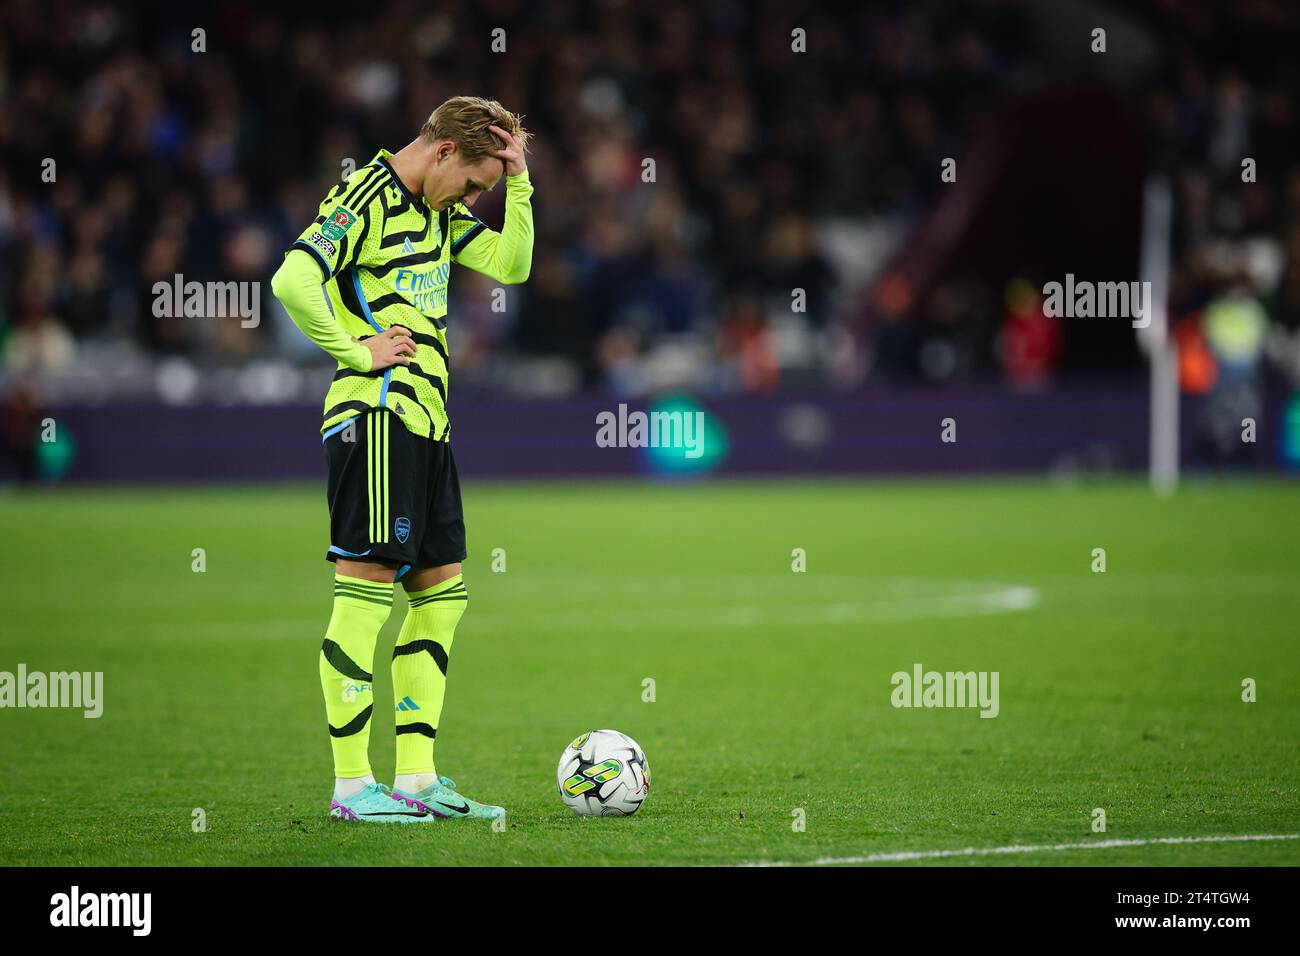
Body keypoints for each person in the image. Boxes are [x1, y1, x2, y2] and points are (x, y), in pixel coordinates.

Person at [271, 96, 533, 823]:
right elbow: (291, 281)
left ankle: (416, 780)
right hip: (377, 416)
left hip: (428, 424)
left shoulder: (439, 214)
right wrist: (356, 350)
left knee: (442, 596)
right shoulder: (365, 196)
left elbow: (512, 264)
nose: (475, 198)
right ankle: (353, 788)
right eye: (475, 182)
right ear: (445, 151)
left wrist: (520, 183)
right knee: (365, 595)